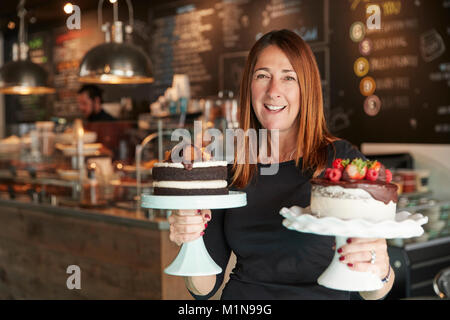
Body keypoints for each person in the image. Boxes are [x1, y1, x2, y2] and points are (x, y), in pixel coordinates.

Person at [168, 29, 394, 300]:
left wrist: (380, 268)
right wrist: (190, 239)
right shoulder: (230, 161)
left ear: (306, 89)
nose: (273, 91)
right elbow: (203, 289)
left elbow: (374, 290)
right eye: (262, 76)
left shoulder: (341, 162)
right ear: (249, 86)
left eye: (288, 78)